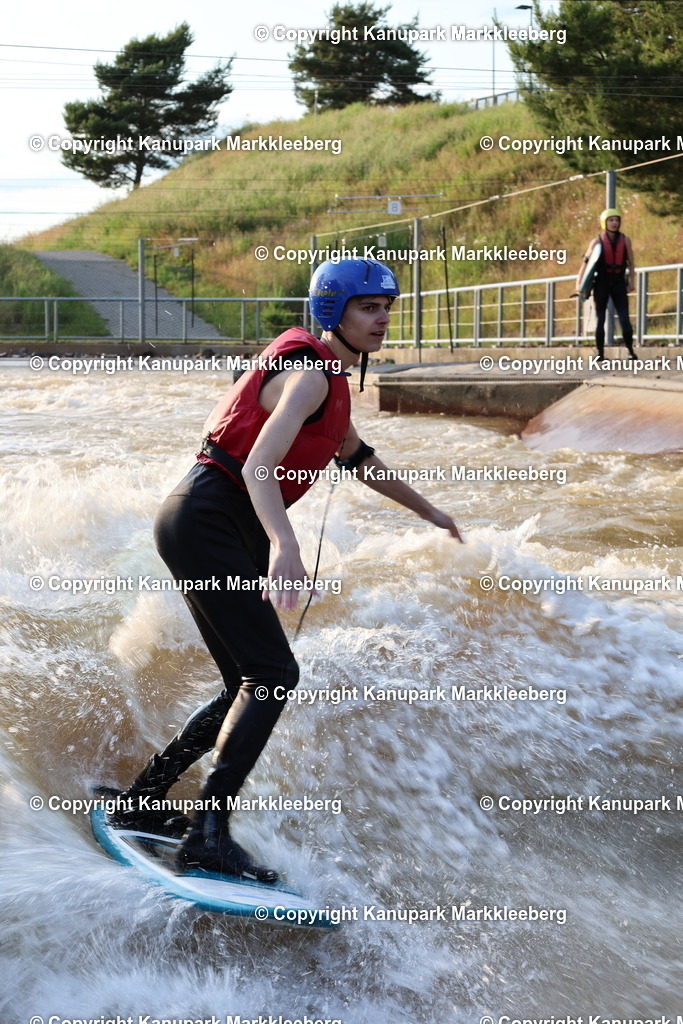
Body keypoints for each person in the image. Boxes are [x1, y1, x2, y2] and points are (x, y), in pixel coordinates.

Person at [101, 258, 462, 882]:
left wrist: (430, 511)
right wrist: (284, 546)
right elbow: (257, 465)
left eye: (386, 307)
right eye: (367, 307)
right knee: (272, 671)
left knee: (248, 677)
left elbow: (359, 457)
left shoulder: (331, 383)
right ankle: (207, 834)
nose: (381, 318)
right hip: (208, 518)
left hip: (210, 524)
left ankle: (147, 798)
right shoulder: (309, 377)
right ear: (332, 312)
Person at [576, 207, 637, 360]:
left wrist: (631, 282)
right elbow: (585, 264)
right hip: (601, 284)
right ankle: (601, 354)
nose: (614, 223)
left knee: (624, 319)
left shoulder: (625, 240)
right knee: (600, 319)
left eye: (616, 220)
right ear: (604, 222)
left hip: (618, 283)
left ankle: (630, 351)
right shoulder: (596, 241)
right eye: (611, 220)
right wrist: (579, 284)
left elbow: (631, 264)